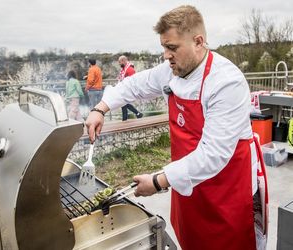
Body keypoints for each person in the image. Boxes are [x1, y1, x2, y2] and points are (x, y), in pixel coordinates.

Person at [85, 5, 268, 250]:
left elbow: (213, 155)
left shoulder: (226, 82)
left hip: (225, 187)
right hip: (186, 184)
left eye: (172, 48)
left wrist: (159, 181)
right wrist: (101, 108)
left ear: (198, 41)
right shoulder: (171, 71)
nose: (166, 55)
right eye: (164, 47)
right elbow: (134, 85)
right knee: (191, 238)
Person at [117, 55, 143, 121]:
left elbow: (133, 80)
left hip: (128, 89)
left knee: (123, 103)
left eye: (120, 62)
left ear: (124, 61)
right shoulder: (123, 69)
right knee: (123, 104)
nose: (119, 64)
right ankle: (134, 115)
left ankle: (136, 114)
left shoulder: (130, 69)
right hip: (123, 89)